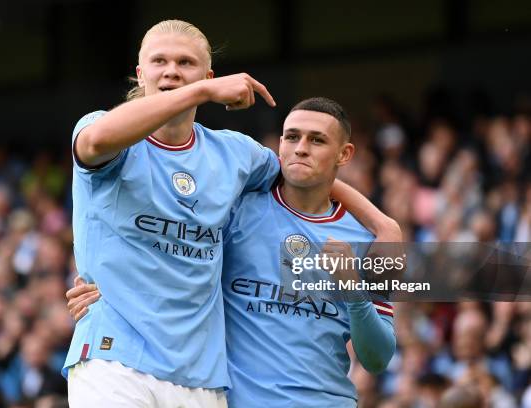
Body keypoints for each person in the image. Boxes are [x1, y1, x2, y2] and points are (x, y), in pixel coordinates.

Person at [68, 97, 398, 407]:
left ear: (345, 154)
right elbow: (168, 254)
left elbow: (378, 359)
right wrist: (108, 287)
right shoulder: (236, 212)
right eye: (292, 137)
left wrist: (355, 291)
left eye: (317, 140)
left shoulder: (372, 242)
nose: (300, 148)